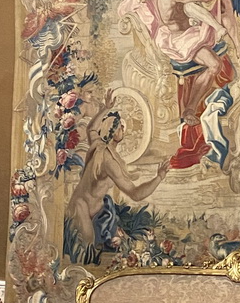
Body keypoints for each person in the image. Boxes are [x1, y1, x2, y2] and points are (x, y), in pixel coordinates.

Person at [64, 91, 168, 263]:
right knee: (86, 252)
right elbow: (135, 194)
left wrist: (105, 108)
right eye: (120, 127)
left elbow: (91, 128)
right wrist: (159, 177)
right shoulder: (109, 160)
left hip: (95, 209)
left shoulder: (98, 145)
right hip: (82, 208)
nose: (123, 130)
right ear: (113, 133)